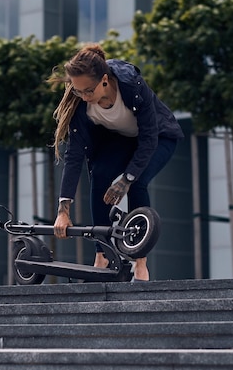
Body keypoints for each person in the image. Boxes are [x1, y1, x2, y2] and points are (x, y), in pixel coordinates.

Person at [48, 43, 184, 281]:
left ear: (104, 80)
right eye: (77, 91)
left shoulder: (132, 85)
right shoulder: (80, 104)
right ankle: (102, 254)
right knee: (99, 174)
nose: (84, 97)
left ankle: (139, 261)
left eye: (88, 91)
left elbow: (149, 138)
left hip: (159, 138)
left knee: (138, 182)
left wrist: (126, 179)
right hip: (123, 139)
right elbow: (73, 156)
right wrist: (63, 210)